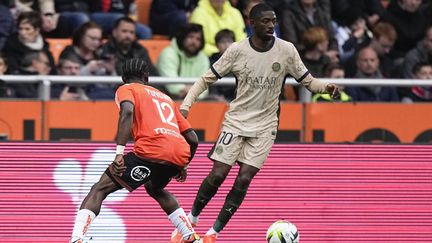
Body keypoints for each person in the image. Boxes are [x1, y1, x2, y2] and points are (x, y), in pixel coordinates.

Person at [170, 3, 340, 243]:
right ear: (252, 23)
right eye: (266, 21)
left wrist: (327, 88)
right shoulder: (237, 50)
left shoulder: (286, 50)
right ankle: (190, 221)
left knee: (244, 178)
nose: (271, 26)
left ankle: (212, 234)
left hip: (266, 125)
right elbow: (205, 79)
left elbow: (309, 81)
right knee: (218, 174)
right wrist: (186, 105)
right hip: (236, 121)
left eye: (274, 21)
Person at [69, 58, 202, 243]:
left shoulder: (127, 89)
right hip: (178, 153)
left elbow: (128, 113)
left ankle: (76, 238)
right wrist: (183, 164)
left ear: (124, 77)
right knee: (155, 188)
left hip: (150, 150)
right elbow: (193, 139)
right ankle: (190, 236)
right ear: (146, 77)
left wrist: (119, 153)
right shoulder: (166, 98)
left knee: (99, 189)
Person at [156, 23, 209, 99]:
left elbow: (205, 86)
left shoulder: (203, 58)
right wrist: (188, 91)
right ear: (182, 37)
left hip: (195, 99)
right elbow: (171, 83)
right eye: (190, 37)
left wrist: (192, 93)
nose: (194, 42)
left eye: (198, 39)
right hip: (166, 98)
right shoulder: (168, 53)